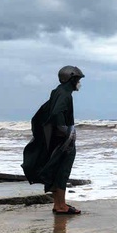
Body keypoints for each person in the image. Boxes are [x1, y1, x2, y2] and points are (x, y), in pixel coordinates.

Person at [22, 66, 84, 214]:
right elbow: (57, 113)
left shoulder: (57, 91)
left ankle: (59, 204)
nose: (79, 83)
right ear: (71, 78)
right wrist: (66, 133)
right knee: (62, 171)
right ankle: (61, 206)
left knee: (56, 170)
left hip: (56, 138)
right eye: (78, 79)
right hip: (63, 140)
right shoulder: (65, 94)